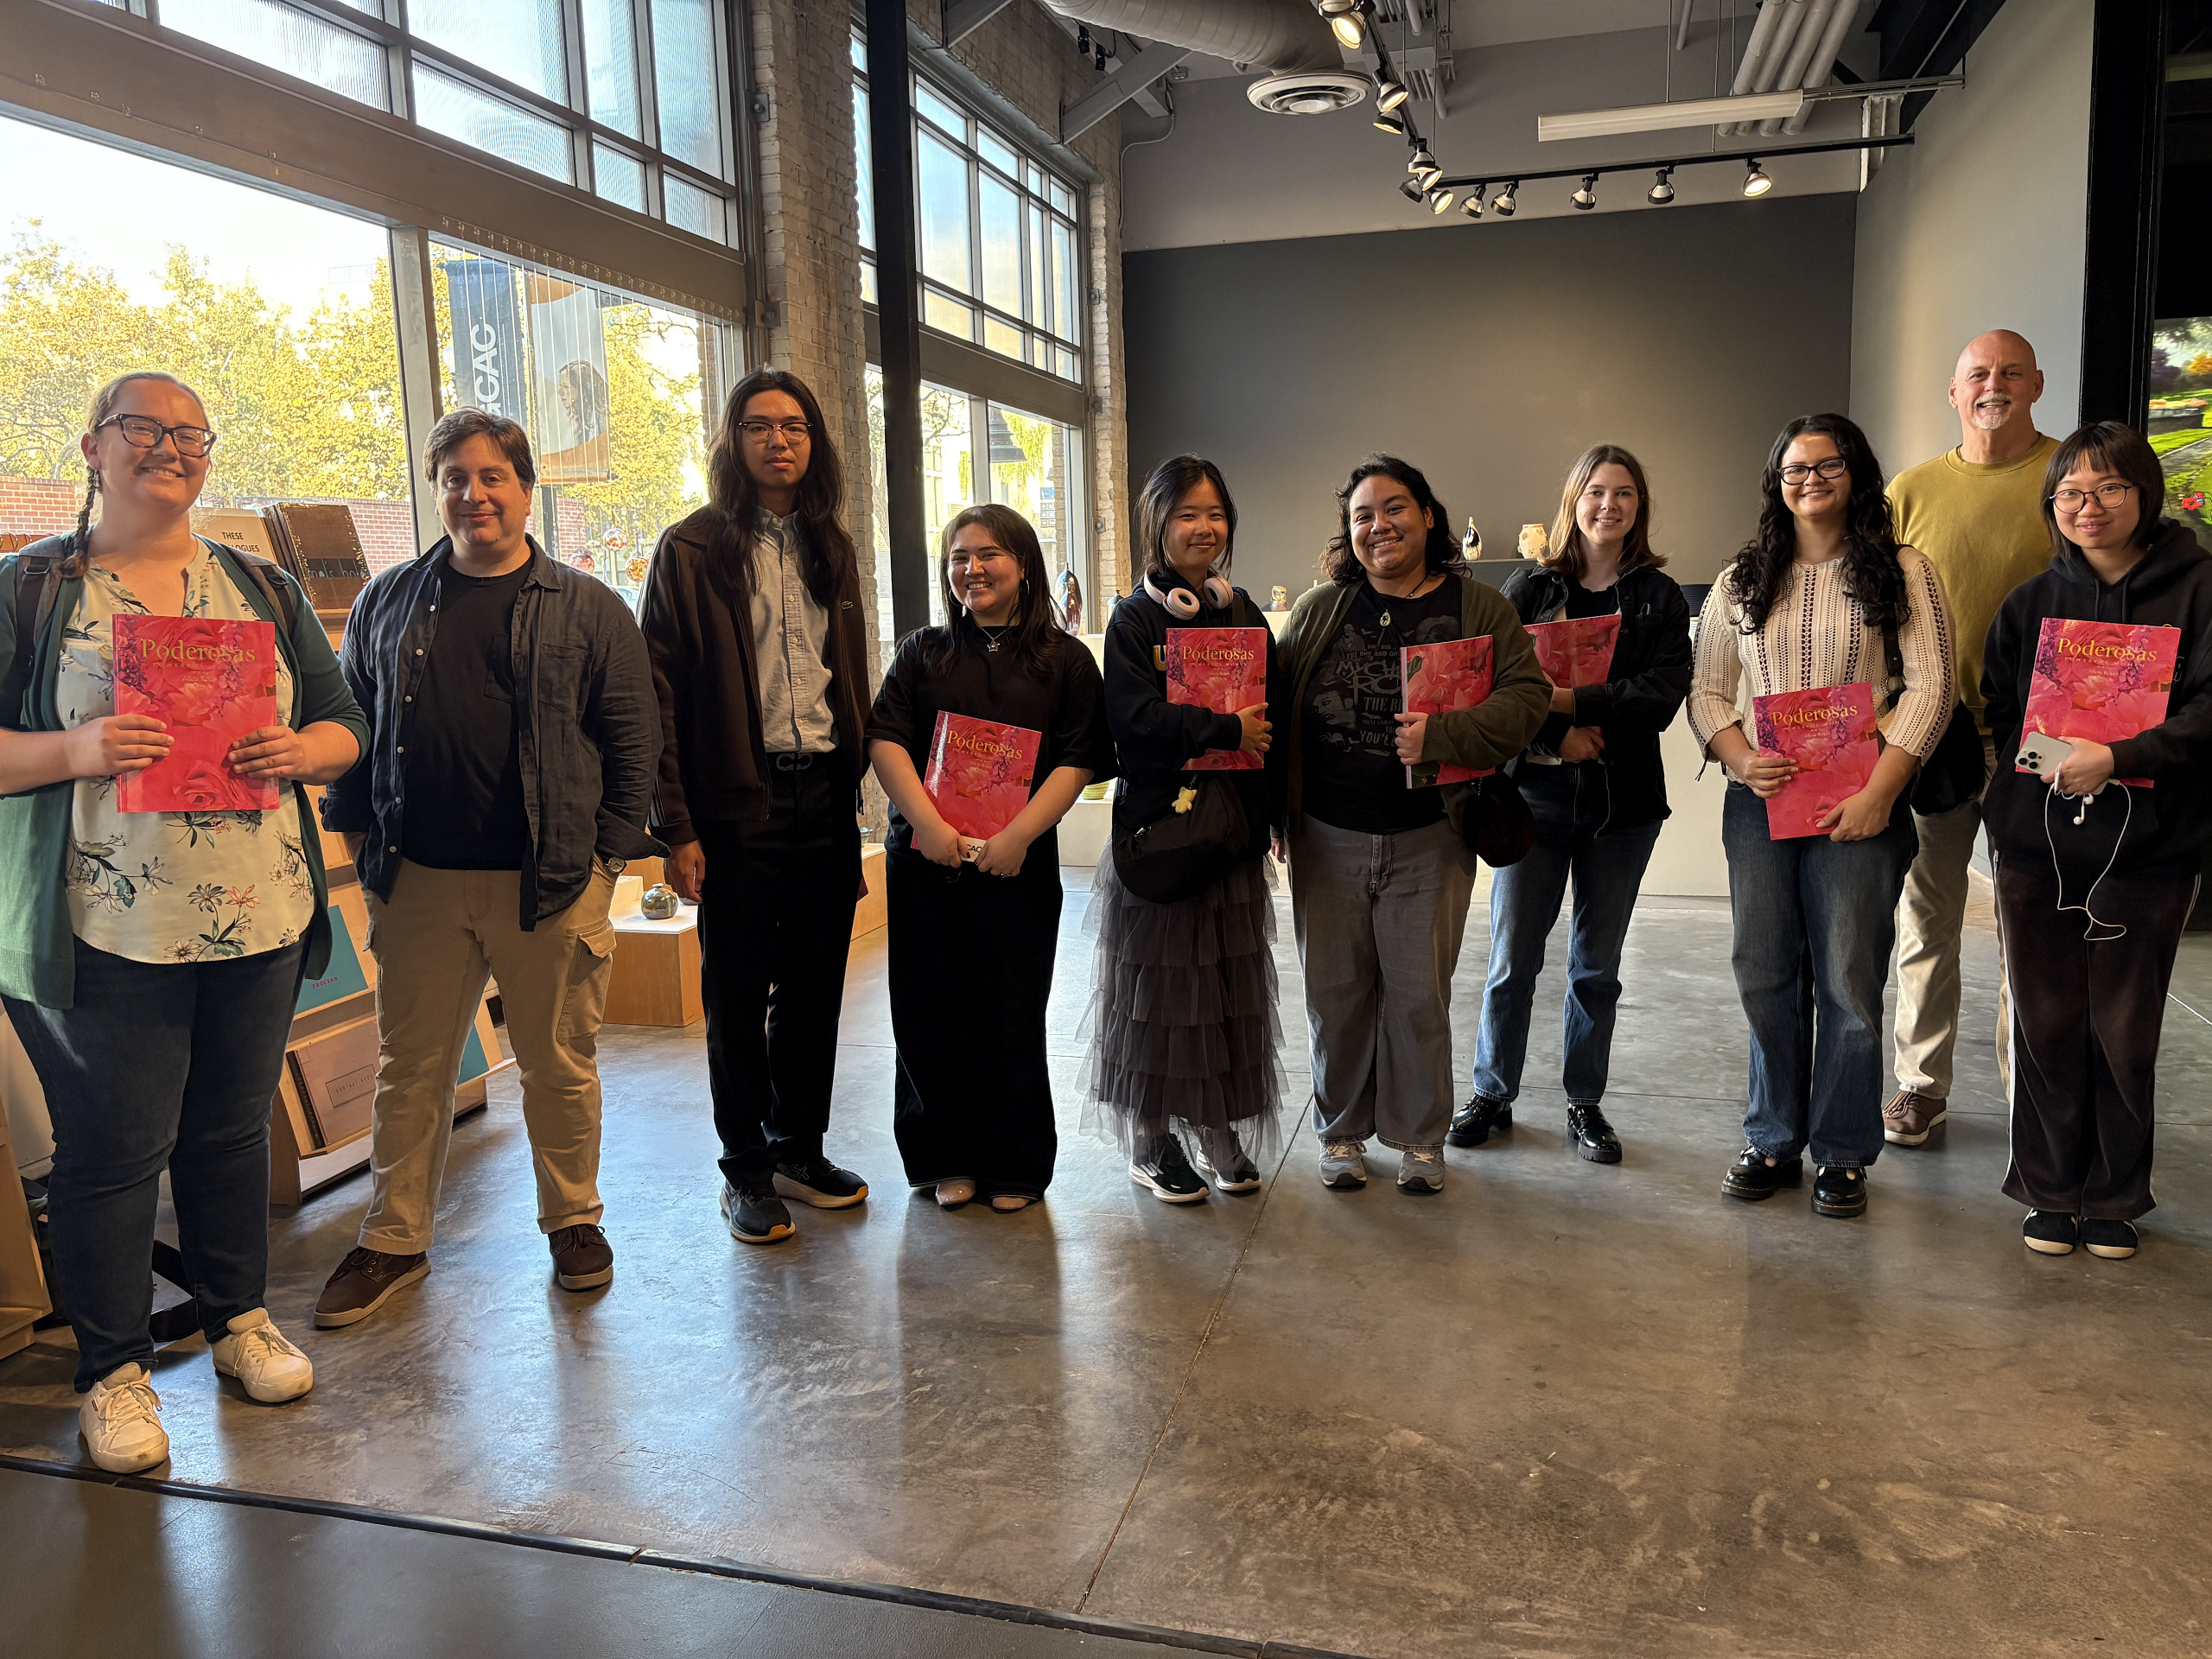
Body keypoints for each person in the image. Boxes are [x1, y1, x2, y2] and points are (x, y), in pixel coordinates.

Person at [0, 371, 366, 1471]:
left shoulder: (258, 585)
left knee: (226, 1132)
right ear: (92, 446)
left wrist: (304, 752)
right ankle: (112, 1374)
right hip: (102, 924)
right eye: (145, 429)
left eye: (192, 433)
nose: (173, 448)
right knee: (112, 1154)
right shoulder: (31, 590)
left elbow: (343, 720)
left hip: (255, 911)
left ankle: (238, 1320)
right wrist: (76, 750)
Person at [314, 409, 660, 1326]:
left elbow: (633, 745)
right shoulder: (388, 601)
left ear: (524, 487)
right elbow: (355, 729)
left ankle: (573, 1223)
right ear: (436, 492)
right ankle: (392, 1238)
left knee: (556, 1064)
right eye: (455, 478)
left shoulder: (588, 606)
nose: (473, 494)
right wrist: (362, 849)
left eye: (491, 476)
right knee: (410, 1068)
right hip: (418, 877)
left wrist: (599, 864)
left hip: (546, 880)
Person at [1688, 414, 1955, 1220]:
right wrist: (1739, 756)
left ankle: (1841, 1152)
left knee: (1847, 979)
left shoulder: (1904, 570)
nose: (1810, 479)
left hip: (1859, 800)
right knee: (1765, 971)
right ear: (1776, 481)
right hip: (1761, 799)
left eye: (1827, 464)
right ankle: (1771, 1136)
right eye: (1794, 468)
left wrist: (1882, 791)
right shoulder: (1742, 576)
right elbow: (1706, 689)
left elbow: (1932, 684)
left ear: (1857, 472)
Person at [639, 369, 874, 1246]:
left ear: (815, 444)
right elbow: (657, 694)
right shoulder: (690, 548)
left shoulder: (831, 546)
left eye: (795, 427)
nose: (779, 440)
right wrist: (678, 826)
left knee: (813, 992)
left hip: (821, 798)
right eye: (758, 426)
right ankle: (744, 1170)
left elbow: (841, 670)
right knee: (736, 997)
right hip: (735, 805)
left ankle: (798, 1149)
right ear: (732, 442)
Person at [1278, 456, 1549, 1193]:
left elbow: (1528, 698)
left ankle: (1421, 1138)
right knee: (1334, 994)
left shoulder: (1480, 608)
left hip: (1433, 832)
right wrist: (1276, 812)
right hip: (1325, 836)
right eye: (1362, 516)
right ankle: (1340, 1135)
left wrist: (1444, 737)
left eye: (1393, 508)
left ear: (1429, 515)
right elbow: (1279, 715)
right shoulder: (1318, 609)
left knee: (1417, 994)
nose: (1379, 526)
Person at [1981, 422, 2212, 1261]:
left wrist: (2117, 756)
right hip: (2035, 843)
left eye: (2109, 488)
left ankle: (2114, 1195)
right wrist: (2055, 764)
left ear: (2144, 496)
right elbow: (1999, 718)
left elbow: (2205, 715)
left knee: (2123, 1025)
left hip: (2151, 846)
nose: (2088, 506)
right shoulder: (2029, 603)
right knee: (2044, 1020)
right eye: (2071, 491)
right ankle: (2047, 1190)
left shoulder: (2201, 591)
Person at [868, 505, 1116, 1211]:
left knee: (1010, 1011)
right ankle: (945, 1157)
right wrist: (931, 826)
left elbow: (1080, 760)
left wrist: (1018, 839)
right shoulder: (922, 650)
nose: (971, 569)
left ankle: (1015, 1164)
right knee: (928, 1010)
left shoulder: (1065, 660)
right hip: (925, 861)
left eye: (988, 554)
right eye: (958, 557)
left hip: (1017, 866)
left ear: (1024, 563)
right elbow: (885, 741)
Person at [1456, 445, 1692, 1163]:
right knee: (1511, 958)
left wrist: (1572, 701)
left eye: (1624, 493)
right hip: (1536, 796)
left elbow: (1659, 695)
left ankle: (1584, 1102)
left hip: (1623, 808)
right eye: (1595, 491)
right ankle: (1493, 1091)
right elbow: (1493, 685)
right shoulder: (1528, 589)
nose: (1608, 505)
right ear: (1573, 501)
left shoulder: (1659, 596)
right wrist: (1563, 729)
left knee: (1597, 966)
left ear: (1639, 507)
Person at [1088, 454, 1285, 1203]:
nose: (1203, 528)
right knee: (1159, 991)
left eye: (1214, 514)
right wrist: (1223, 726)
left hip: (1231, 832)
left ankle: (1215, 1127)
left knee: (1224, 988)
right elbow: (1132, 728)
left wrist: (1273, 817)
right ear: (1156, 526)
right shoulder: (1134, 619)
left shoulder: (1244, 614)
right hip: (1162, 835)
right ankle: (1150, 1138)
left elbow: (1274, 726)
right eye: (1185, 516)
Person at [1884, 330, 2058, 1148]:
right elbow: (1871, 607)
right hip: (1937, 740)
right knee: (1928, 918)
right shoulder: (1910, 491)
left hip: (2047, 741)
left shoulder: (2069, 481)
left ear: (2037, 385)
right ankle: (1920, 1086)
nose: (1994, 386)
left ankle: (2035, 1095)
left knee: (2033, 921)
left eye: (2010, 373)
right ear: (1953, 394)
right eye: (1978, 375)